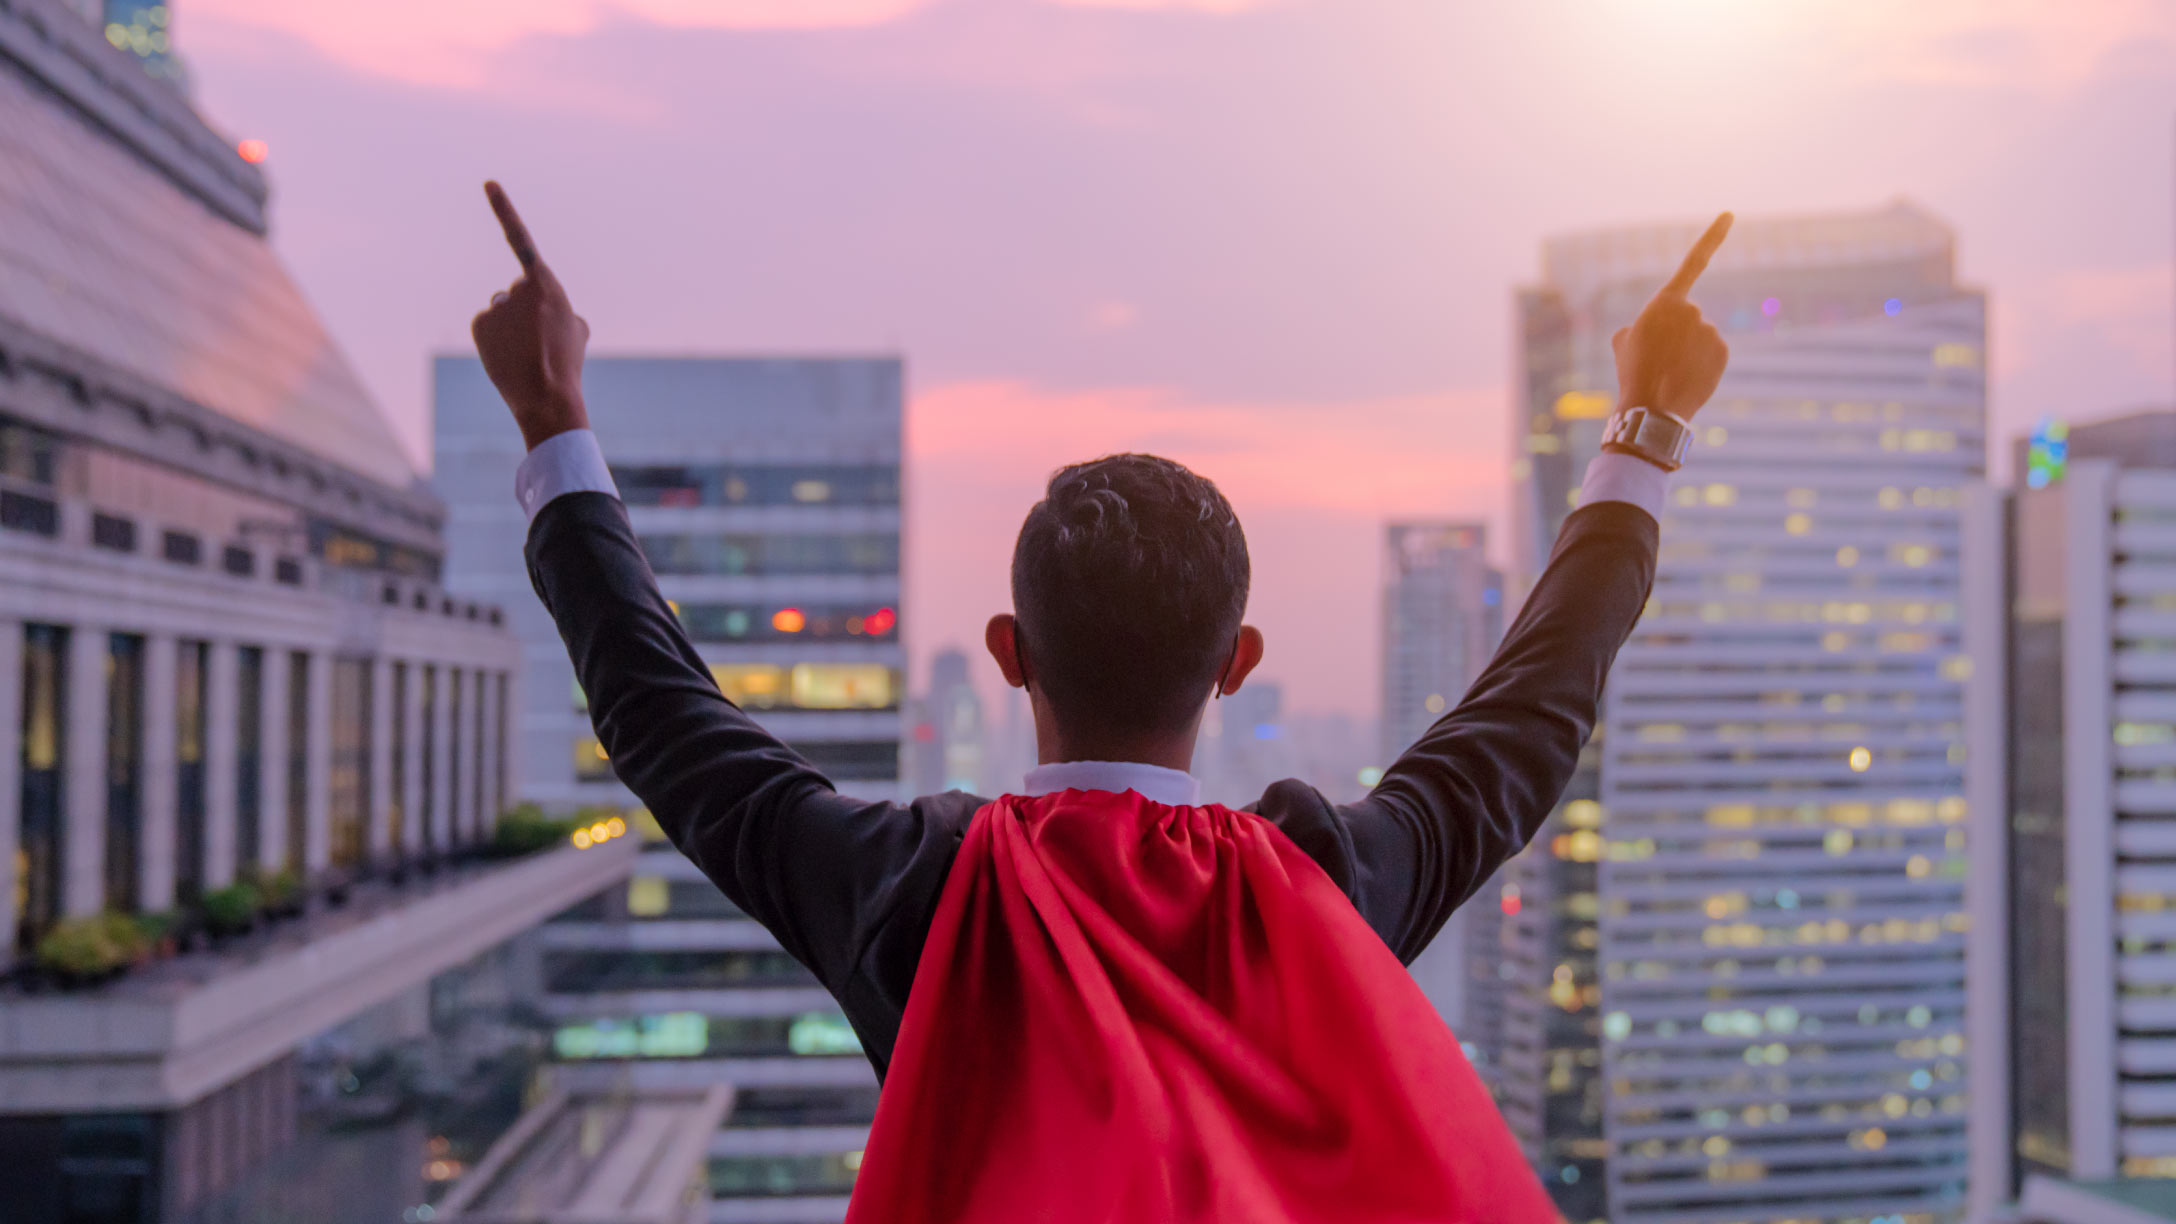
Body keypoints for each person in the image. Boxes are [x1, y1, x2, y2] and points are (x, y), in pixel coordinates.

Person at [471, 180, 1731, 1223]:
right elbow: (1529, 715)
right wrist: (1645, 424)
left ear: (1009, 652)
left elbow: (656, 709)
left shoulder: (912, 890)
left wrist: (551, 416)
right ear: (1237, 662)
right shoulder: (1320, 890)